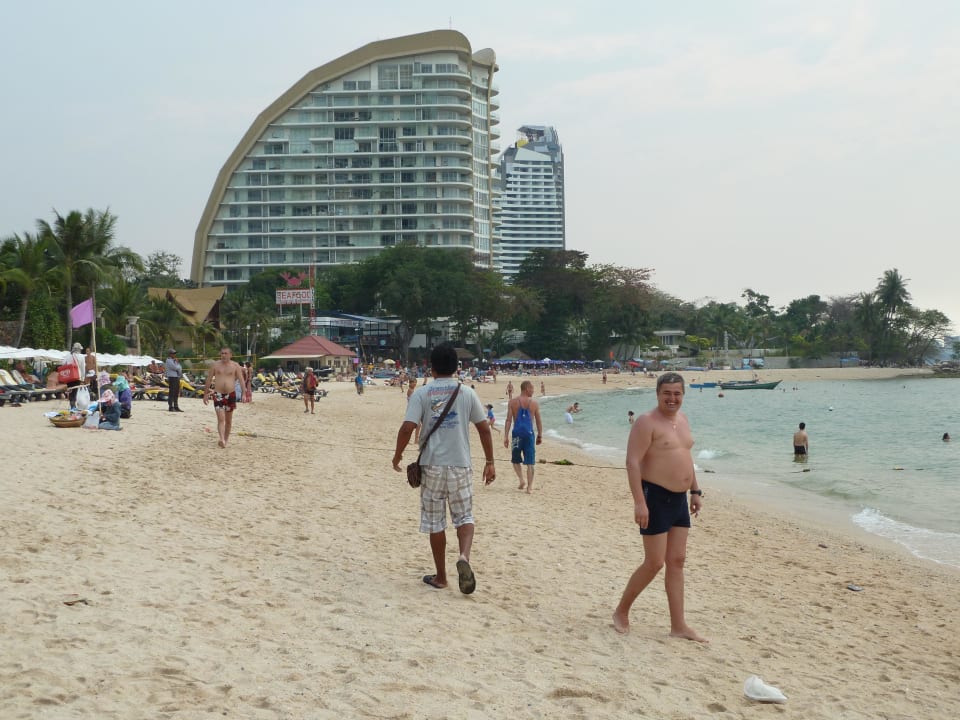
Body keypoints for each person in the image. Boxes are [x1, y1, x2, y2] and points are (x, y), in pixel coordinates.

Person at [392, 343, 495, 595]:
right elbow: (483, 428)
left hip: (432, 466)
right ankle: (464, 556)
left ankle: (441, 576)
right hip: (460, 465)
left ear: (431, 366)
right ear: (456, 367)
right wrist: (490, 461)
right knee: (465, 516)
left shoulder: (422, 394)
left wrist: (397, 456)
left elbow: (407, 428)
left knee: (435, 522)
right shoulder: (467, 393)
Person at [612, 372, 707, 642]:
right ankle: (621, 611)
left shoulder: (683, 421)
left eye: (677, 393)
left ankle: (679, 625)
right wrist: (639, 503)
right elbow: (632, 462)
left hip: (679, 499)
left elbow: (686, 457)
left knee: (677, 561)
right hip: (654, 497)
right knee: (654, 563)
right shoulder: (646, 422)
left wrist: (695, 490)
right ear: (657, 394)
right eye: (667, 393)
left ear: (683, 395)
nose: (672, 398)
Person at [503, 380, 543, 493]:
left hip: (516, 435)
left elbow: (508, 420)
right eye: (532, 388)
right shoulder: (534, 403)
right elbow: (539, 421)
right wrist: (540, 435)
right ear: (527, 389)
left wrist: (506, 436)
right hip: (529, 435)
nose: (533, 391)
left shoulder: (512, 402)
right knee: (530, 462)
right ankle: (529, 487)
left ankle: (521, 480)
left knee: (515, 459)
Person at [203, 347, 244, 448]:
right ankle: (221, 439)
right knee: (221, 419)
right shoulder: (215, 365)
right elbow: (209, 379)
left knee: (228, 420)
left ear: (230, 355)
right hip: (218, 394)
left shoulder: (235, 366)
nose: (224, 355)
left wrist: (244, 393)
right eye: (222, 353)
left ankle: (225, 440)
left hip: (231, 394)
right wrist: (205, 394)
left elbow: (241, 380)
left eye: (226, 353)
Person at [64, 342, 86, 406]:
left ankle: (72, 404)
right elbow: (82, 368)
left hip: (69, 377)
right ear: (79, 349)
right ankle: (73, 406)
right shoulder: (82, 357)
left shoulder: (68, 355)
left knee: (70, 392)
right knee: (75, 392)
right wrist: (83, 378)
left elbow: (63, 364)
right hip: (77, 377)